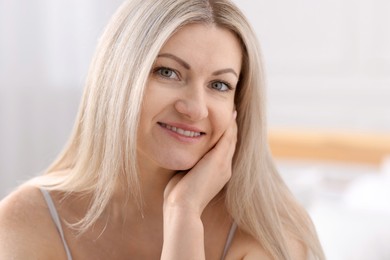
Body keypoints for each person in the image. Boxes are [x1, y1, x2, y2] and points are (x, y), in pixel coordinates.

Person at [0, 0, 325, 259]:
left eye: (219, 84)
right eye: (168, 72)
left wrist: (183, 213)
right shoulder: (28, 219)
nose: (195, 108)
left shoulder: (270, 231)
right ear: (117, 80)